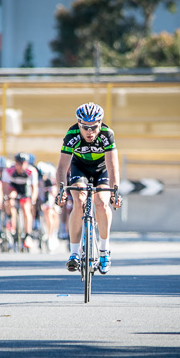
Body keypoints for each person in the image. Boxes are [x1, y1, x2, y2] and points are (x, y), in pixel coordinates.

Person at [55, 102, 122, 274]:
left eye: (94, 127)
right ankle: (74, 253)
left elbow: (113, 166)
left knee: (101, 202)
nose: (90, 131)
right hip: (80, 169)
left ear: (101, 123)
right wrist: (61, 191)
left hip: (102, 170)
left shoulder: (107, 134)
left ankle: (104, 251)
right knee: (79, 201)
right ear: (79, 124)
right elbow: (62, 168)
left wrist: (115, 192)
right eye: (85, 127)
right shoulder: (72, 135)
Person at [2, 152, 38, 249]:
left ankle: (28, 235)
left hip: (25, 189)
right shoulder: (9, 170)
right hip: (13, 188)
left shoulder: (31, 171)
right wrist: (6, 198)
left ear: (26, 163)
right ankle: (10, 219)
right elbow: (5, 186)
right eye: (19, 163)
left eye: (23, 163)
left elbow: (34, 188)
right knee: (10, 199)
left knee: (26, 209)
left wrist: (33, 200)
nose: (21, 166)